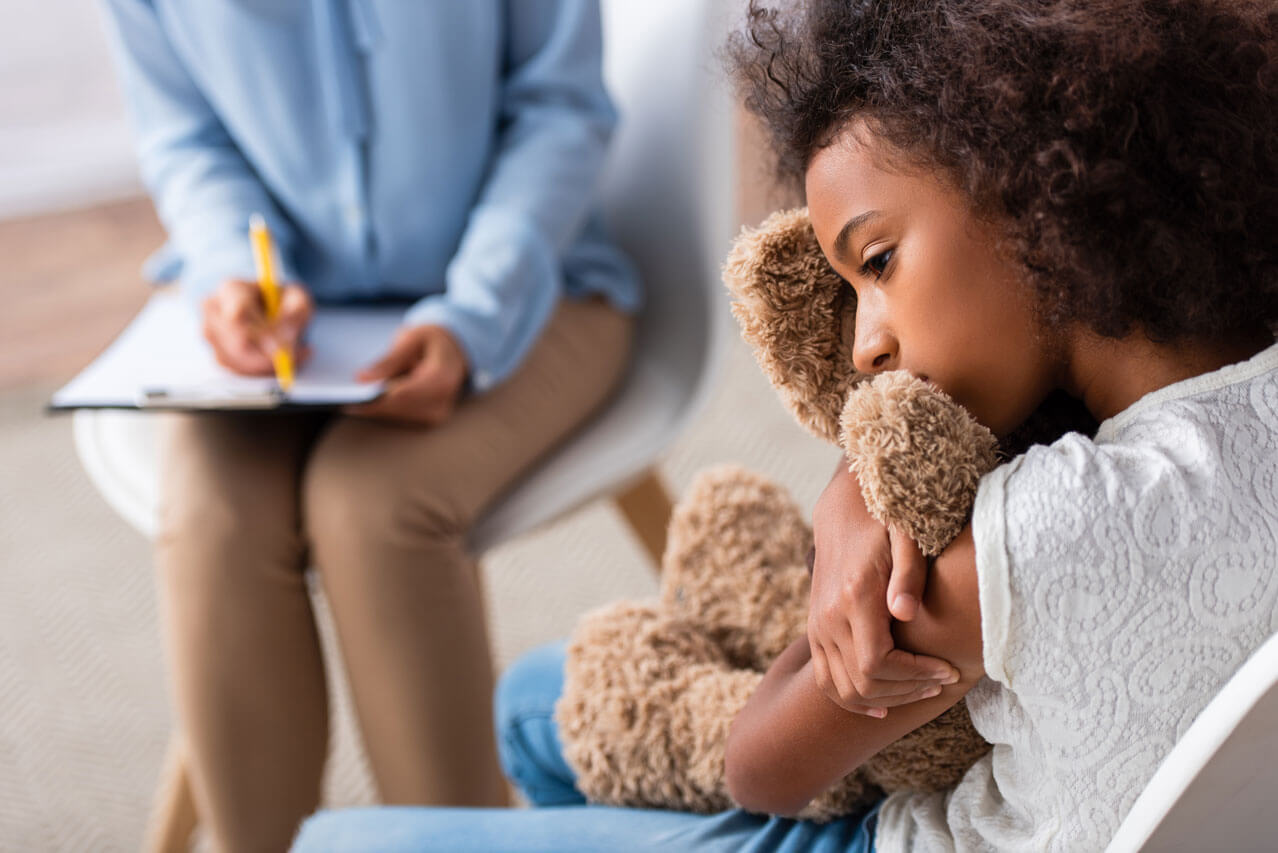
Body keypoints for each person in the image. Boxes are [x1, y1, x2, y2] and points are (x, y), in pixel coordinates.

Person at [291, 0, 1278, 849]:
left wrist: (840, 545)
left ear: (1033, 190)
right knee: (529, 698)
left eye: (878, 262)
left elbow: (760, 768)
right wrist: (854, 487)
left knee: (339, 833)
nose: (862, 348)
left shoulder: (1020, 542)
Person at [100, 2, 640, 850]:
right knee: (212, 520)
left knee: (372, 507)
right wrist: (240, 272)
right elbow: (188, 141)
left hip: (535, 290)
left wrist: (474, 317)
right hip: (292, 333)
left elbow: (559, 112)